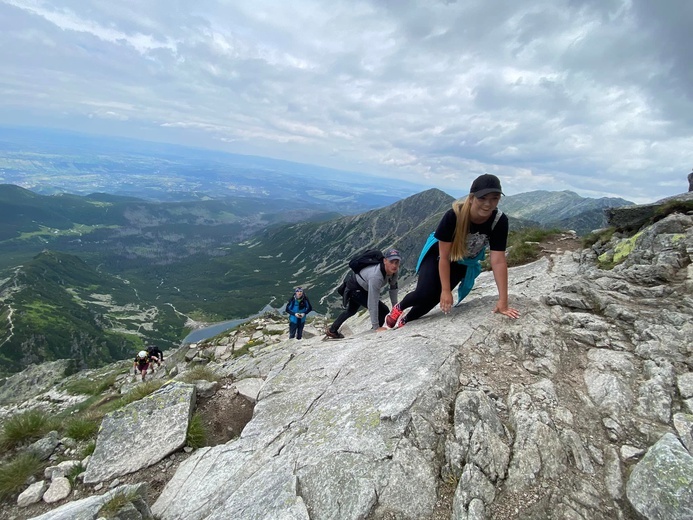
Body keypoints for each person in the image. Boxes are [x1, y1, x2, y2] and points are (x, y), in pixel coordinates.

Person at [385, 174, 519, 329]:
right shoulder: (454, 215)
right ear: (471, 198)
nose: (488, 204)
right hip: (438, 256)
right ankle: (398, 308)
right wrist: (446, 290)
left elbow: (498, 260)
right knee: (424, 293)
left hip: (463, 261)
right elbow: (444, 257)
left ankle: (406, 320)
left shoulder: (499, 221)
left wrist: (503, 301)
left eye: (494, 198)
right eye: (482, 198)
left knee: (434, 299)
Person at [325, 249, 401, 338]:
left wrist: (396, 310)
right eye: (391, 262)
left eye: (397, 262)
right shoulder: (376, 276)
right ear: (384, 261)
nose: (394, 265)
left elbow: (393, 289)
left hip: (359, 286)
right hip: (355, 288)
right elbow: (373, 302)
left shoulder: (394, 271)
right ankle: (376, 330)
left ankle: (332, 330)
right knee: (383, 310)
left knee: (351, 311)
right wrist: (377, 328)